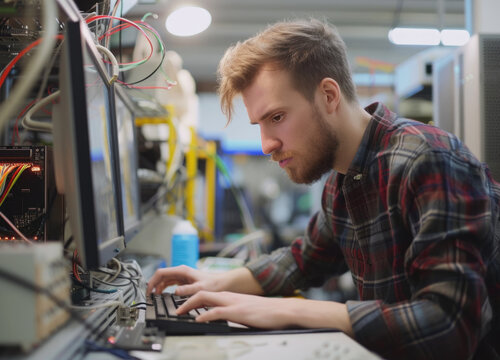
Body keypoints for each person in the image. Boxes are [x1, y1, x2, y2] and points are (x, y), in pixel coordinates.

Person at [146, 18, 500, 359]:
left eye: (277, 118)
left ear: (329, 95)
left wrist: (288, 312)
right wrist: (216, 283)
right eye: (259, 124)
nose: (267, 144)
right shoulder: (342, 183)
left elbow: (450, 327)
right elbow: (304, 259)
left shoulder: (429, 159)